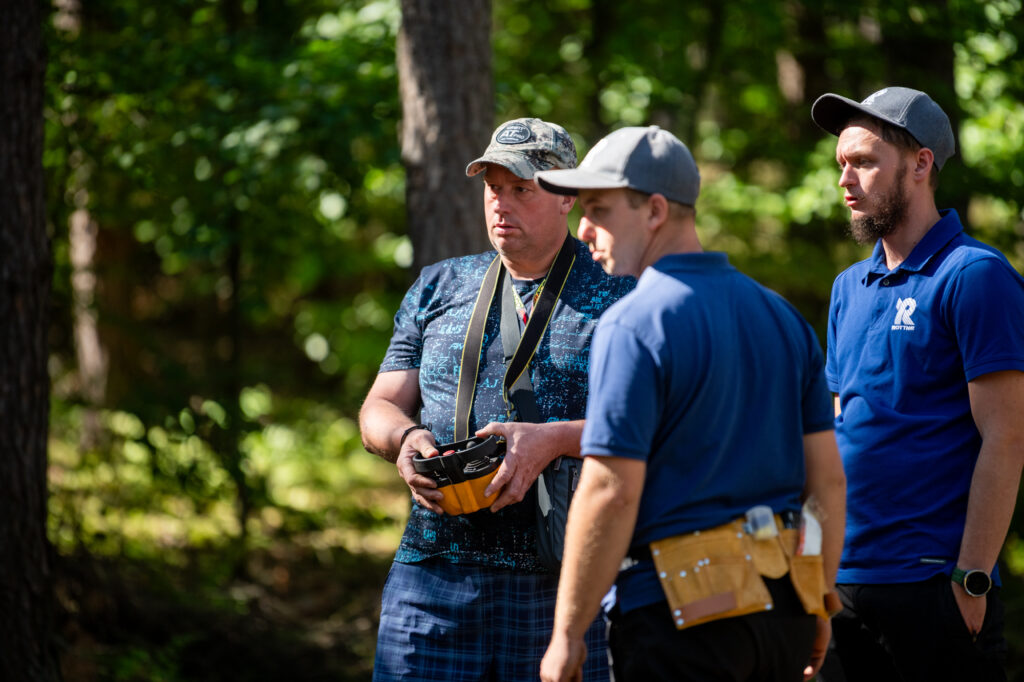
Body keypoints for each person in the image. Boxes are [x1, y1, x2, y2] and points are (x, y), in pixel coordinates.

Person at [533, 125, 847, 682]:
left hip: (684, 621)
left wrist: (565, 635)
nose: (584, 231)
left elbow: (609, 489)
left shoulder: (633, 325)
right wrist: (818, 594)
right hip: (785, 614)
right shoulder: (782, 318)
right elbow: (827, 484)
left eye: (600, 209)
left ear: (654, 210)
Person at [360, 117, 634, 682]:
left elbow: (653, 425)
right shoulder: (438, 286)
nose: (501, 204)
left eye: (521, 189)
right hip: (432, 573)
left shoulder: (620, 293)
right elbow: (378, 408)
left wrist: (553, 440)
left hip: (561, 577)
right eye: (493, 188)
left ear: (567, 198)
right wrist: (406, 440)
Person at [810, 86, 1024, 680]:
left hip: (934, 584)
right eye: (841, 164)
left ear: (921, 164)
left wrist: (972, 579)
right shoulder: (847, 286)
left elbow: (1007, 439)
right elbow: (838, 429)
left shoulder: (976, 276)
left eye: (865, 162)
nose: (845, 180)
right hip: (844, 585)